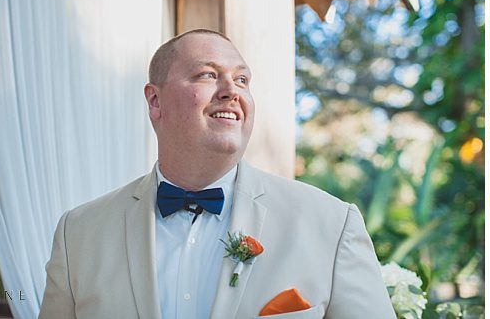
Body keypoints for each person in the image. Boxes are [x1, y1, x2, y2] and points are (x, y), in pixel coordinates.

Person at [39, 29, 394, 318]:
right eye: (208, 74)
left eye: (242, 79)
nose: (231, 92)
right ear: (155, 101)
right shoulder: (78, 235)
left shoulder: (331, 225)